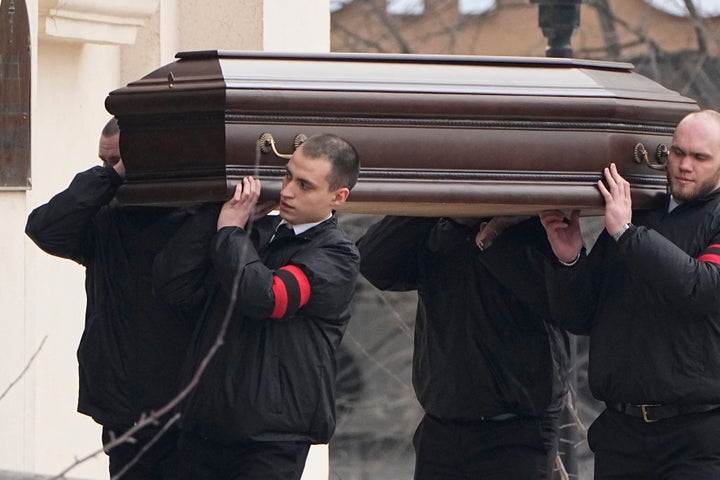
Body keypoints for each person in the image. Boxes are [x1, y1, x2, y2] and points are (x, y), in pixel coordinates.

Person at [152, 133, 361, 480]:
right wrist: (216, 220)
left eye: (305, 185)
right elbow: (174, 286)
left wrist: (231, 233)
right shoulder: (252, 233)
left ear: (337, 196)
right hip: (205, 426)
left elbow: (269, 298)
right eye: (287, 176)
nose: (288, 191)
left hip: (272, 439)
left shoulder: (336, 255)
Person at [540, 109, 720, 479]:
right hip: (621, 435)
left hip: (696, 440)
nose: (684, 165)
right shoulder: (637, 214)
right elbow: (580, 316)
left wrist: (627, 233)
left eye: (700, 157)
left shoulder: (632, 224)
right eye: (677, 152)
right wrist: (569, 259)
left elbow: (702, 288)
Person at [25, 117, 192, 479]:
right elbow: (44, 228)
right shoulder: (104, 218)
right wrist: (109, 177)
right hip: (124, 406)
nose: (111, 170)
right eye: (105, 162)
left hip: (186, 407)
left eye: (118, 160)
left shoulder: (192, 218)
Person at [356, 214, 570, 480]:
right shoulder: (438, 232)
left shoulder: (536, 225)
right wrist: (430, 202)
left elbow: (567, 305)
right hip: (443, 425)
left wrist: (494, 240)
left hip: (519, 428)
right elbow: (372, 260)